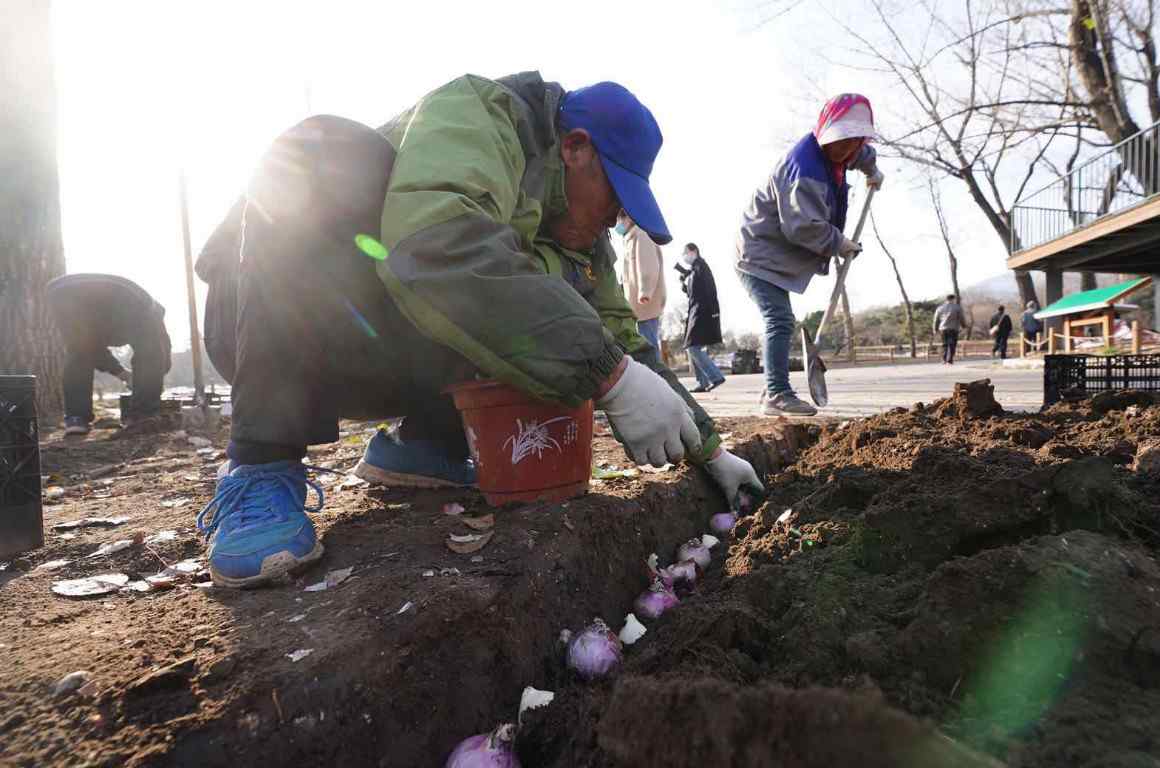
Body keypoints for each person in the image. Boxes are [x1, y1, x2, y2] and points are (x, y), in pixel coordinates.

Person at [194, 72, 763, 588]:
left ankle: (426, 444)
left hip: (374, 348)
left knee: (533, 306)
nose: (615, 219)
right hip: (265, 318)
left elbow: (626, 339)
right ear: (575, 147)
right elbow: (437, 248)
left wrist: (711, 451)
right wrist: (612, 377)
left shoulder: (580, 242)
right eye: (615, 196)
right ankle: (260, 464)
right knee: (328, 148)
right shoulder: (484, 117)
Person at [735, 94, 884, 416]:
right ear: (825, 133)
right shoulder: (804, 170)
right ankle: (776, 394)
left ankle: (772, 389)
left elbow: (860, 155)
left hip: (773, 252)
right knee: (779, 319)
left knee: (780, 319)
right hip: (757, 253)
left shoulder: (846, 151)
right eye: (841, 142)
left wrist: (872, 169)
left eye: (853, 143)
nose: (845, 151)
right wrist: (839, 242)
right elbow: (802, 227)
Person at [45, 274, 172, 436]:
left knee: (78, 350)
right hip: (126, 295)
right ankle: (143, 416)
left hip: (60, 290)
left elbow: (91, 348)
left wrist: (125, 375)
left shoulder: (135, 318)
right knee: (151, 353)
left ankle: (77, 418)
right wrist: (146, 385)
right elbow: (156, 357)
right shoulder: (150, 315)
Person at [616, 211, 666, 361]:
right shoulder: (630, 238)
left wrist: (645, 291)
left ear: (629, 217)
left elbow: (648, 264)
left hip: (645, 302)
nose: (617, 224)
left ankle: (658, 378)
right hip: (637, 304)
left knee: (648, 345)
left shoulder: (641, 235)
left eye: (620, 218)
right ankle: (655, 377)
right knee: (645, 344)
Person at [678, 243, 725, 393]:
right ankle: (702, 382)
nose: (684, 256)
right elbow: (694, 293)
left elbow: (710, 290)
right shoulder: (695, 269)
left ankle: (715, 376)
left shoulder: (701, 267)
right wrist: (684, 286)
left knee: (693, 346)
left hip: (702, 312)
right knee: (692, 346)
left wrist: (713, 312)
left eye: (685, 253)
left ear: (693, 251)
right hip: (695, 311)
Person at [933, 294, 966, 364]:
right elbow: (961, 318)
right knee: (952, 344)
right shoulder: (957, 307)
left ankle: (944, 359)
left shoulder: (940, 308)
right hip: (953, 328)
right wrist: (964, 326)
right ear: (953, 299)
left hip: (943, 328)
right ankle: (950, 359)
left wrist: (935, 329)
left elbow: (936, 320)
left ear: (946, 299)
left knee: (944, 344)